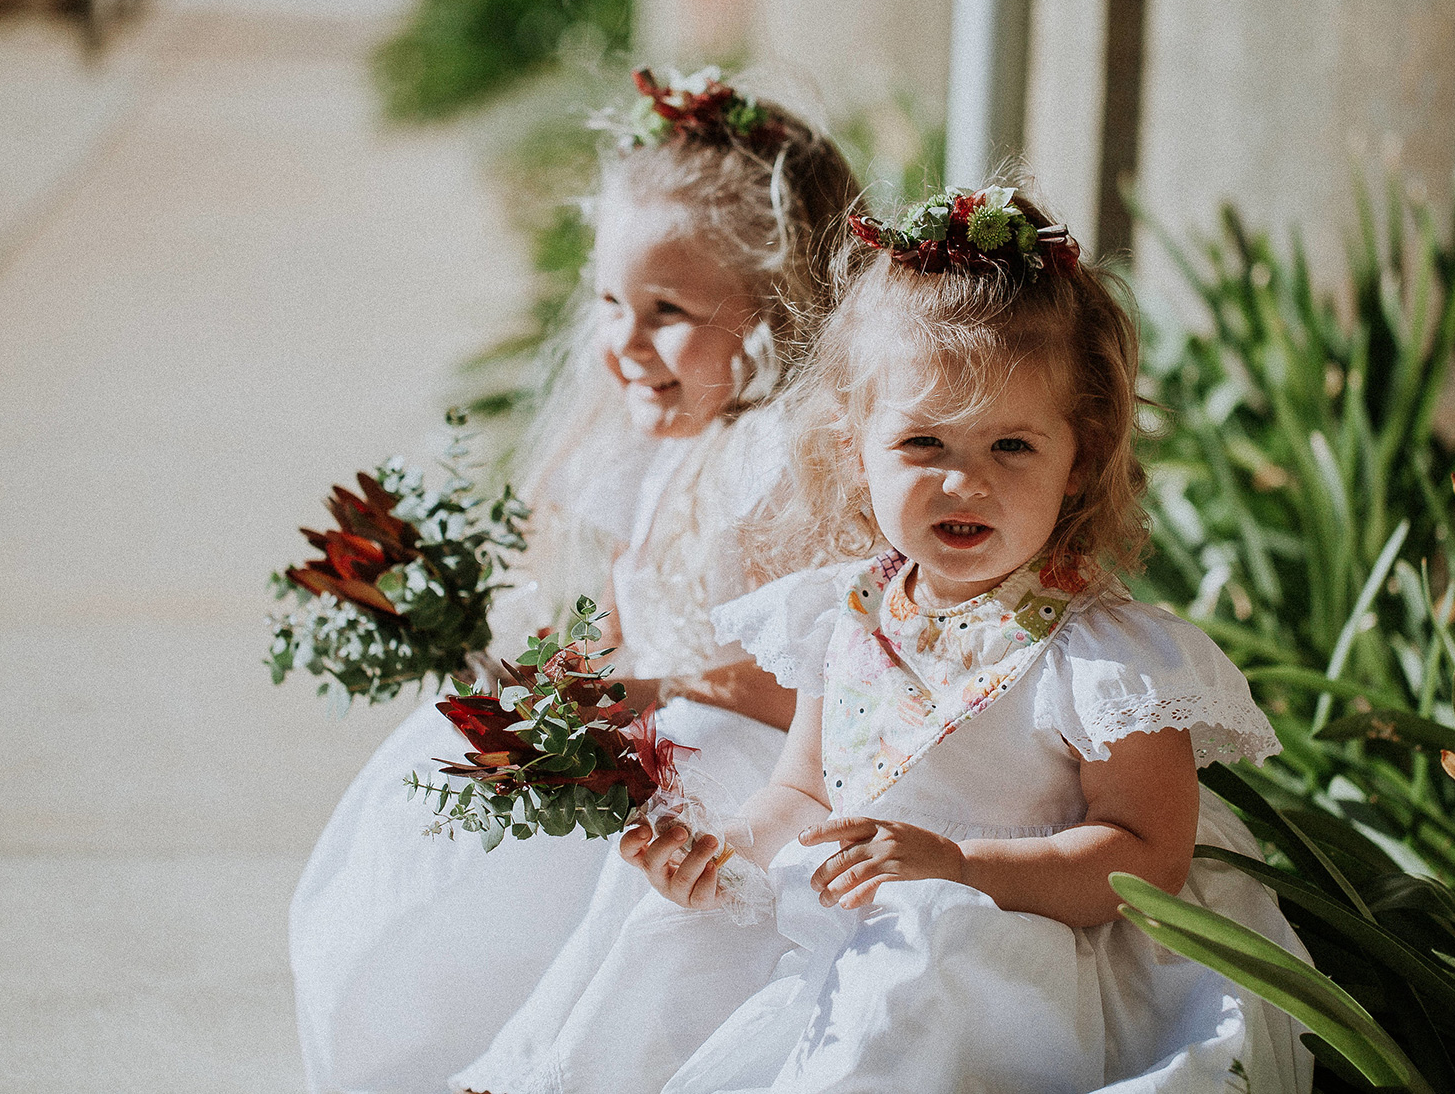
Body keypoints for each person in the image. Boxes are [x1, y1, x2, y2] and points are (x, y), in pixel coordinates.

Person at [460, 188, 1310, 1094]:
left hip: (1024, 929)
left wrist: (959, 866)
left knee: (908, 979)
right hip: (862, 903)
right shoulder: (847, 609)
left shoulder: (1104, 659)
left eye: (1012, 446)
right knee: (672, 929)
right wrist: (729, 847)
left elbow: (1148, 855)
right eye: (922, 441)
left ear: (1081, 453)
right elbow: (804, 787)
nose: (963, 481)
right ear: (855, 445)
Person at [291, 68, 860, 1094]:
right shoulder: (659, 442)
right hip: (658, 747)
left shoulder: (776, 466)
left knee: (641, 914)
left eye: (667, 309)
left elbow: (822, 696)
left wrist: (660, 690)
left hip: (756, 777)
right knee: (436, 825)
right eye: (608, 302)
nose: (623, 343)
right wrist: (559, 681)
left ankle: (540, 1071)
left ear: (780, 308)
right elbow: (628, 626)